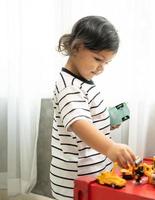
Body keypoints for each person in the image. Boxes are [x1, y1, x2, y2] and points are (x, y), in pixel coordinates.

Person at [50, 16, 136, 200]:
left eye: (106, 63)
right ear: (77, 47)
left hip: (90, 170)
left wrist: (105, 122)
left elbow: (86, 116)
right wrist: (110, 147)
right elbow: (79, 123)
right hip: (75, 178)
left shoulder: (82, 82)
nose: (101, 68)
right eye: (98, 59)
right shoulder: (69, 86)